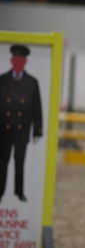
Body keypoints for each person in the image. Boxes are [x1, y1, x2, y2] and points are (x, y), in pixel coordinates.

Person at [0, 44, 43, 203]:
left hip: (22, 130)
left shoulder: (32, 82)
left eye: (21, 60)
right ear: (11, 61)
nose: (18, 62)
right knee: (2, 163)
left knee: (20, 163)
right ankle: (0, 192)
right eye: (15, 59)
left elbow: (36, 107)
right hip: (3, 130)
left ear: (25, 62)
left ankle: (19, 192)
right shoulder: (2, 79)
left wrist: (37, 130)